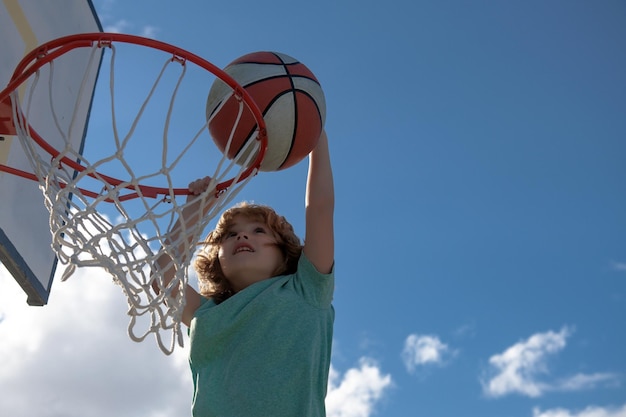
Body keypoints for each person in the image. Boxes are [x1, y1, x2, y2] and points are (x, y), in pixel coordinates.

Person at [156, 130, 334, 417]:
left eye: (258, 231)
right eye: (230, 235)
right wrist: (195, 209)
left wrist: (316, 138)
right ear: (217, 260)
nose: (242, 237)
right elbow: (162, 274)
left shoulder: (307, 288)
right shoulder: (206, 313)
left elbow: (320, 210)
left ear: (283, 249)